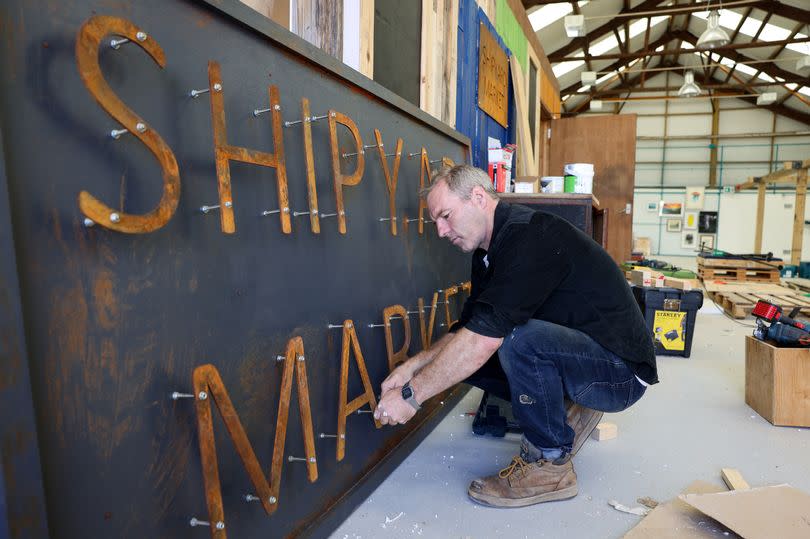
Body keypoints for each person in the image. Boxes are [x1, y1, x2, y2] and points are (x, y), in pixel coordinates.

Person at [374, 164, 657, 508]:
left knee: (514, 340)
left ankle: (550, 465)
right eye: (436, 221)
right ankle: (568, 408)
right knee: (468, 354)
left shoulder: (529, 237)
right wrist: (411, 369)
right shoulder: (488, 253)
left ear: (478, 197)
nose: (441, 231)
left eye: (445, 216)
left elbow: (484, 339)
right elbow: (469, 330)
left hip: (619, 374)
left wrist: (410, 397)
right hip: (588, 356)